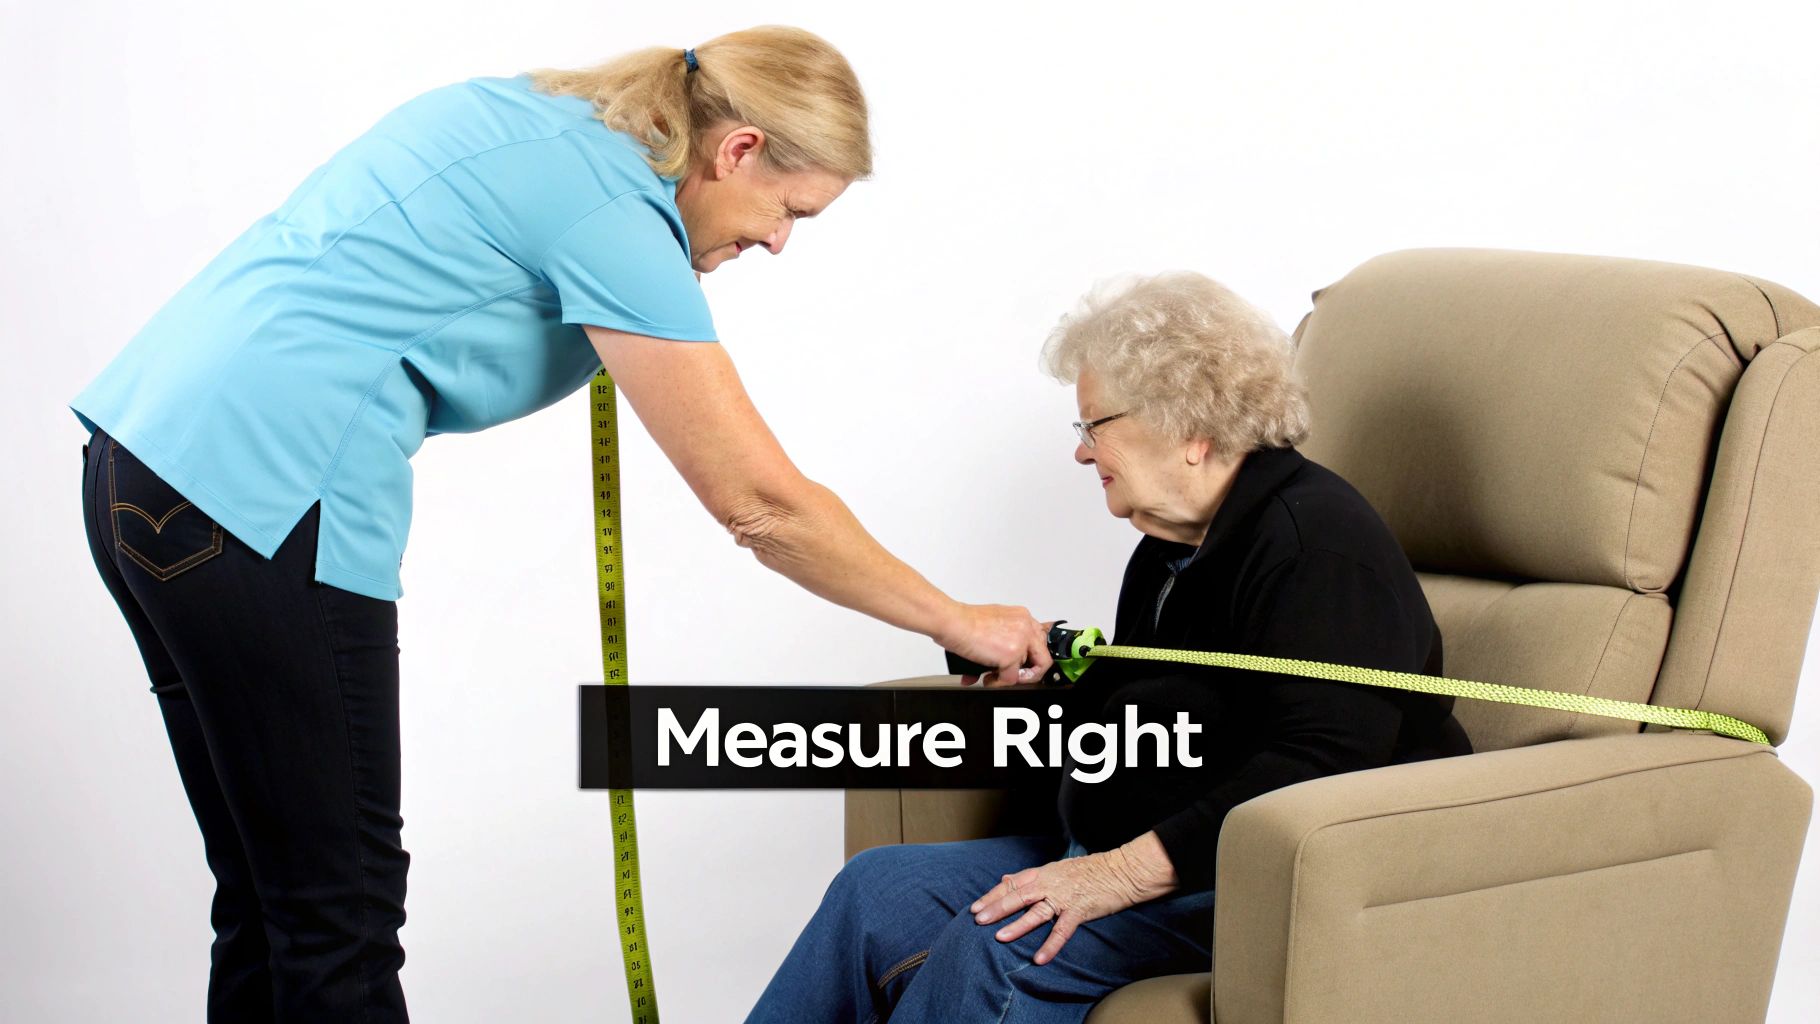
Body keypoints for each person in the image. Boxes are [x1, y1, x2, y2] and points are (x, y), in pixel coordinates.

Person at [73, 25, 1051, 1023]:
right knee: (340, 914)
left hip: (143, 467)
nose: (776, 242)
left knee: (275, 898)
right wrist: (953, 618)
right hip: (267, 497)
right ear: (738, 149)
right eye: (787, 211)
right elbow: (758, 502)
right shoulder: (611, 208)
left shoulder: (542, 123)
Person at [744, 270, 1473, 1023]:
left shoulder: (1316, 545)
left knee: (1004, 945)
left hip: (1248, 880)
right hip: (1123, 846)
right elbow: (1150, 710)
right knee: (876, 894)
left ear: (1188, 425)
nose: (1083, 455)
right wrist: (1040, 702)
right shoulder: (1167, 549)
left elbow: (1322, 764)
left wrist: (1115, 875)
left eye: (1095, 426)